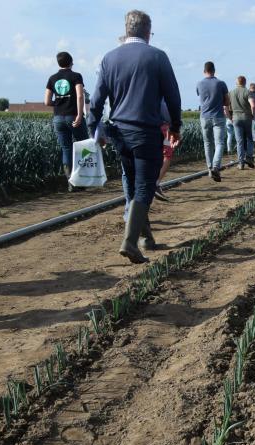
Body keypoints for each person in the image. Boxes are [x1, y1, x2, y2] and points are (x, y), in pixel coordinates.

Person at [88, 9, 182, 264]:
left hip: (119, 133)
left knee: (132, 182)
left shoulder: (109, 58)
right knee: (145, 186)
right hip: (145, 133)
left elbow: (96, 100)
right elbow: (173, 96)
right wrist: (175, 126)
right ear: (148, 32)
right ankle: (129, 242)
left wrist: (95, 129)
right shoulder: (157, 57)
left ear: (127, 29)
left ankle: (146, 238)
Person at [45, 51, 88, 192]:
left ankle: (70, 182)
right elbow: (80, 96)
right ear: (71, 62)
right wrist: (79, 115)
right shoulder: (76, 76)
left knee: (66, 148)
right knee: (84, 145)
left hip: (58, 118)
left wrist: (59, 103)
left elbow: (47, 101)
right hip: (73, 115)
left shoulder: (52, 78)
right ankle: (83, 179)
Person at [197, 61, 230, 182]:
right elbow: (227, 102)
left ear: (204, 71)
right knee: (219, 143)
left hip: (204, 117)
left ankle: (210, 168)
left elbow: (201, 98)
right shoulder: (221, 83)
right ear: (214, 70)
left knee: (207, 143)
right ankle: (216, 167)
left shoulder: (199, 84)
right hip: (218, 116)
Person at [229, 76, 255, 169]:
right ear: (245, 82)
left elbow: (225, 107)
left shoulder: (231, 92)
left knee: (239, 141)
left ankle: (241, 163)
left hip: (236, 118)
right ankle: (249, 158)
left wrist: (230, 118)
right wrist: (253, 115)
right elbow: (253, 106)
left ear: (237, 82)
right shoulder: (248, 92)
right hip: (247, 118)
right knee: (249, 139)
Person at [154, 101, 173, 201]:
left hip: (149, 128)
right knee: (167, 155)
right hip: (165, 128)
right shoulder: (164, 99)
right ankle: (155, 184)